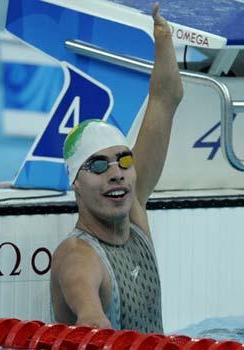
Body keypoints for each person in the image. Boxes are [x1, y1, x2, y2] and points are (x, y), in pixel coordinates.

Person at [50, 3, 183, 333]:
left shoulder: (134, 211)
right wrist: (93, 320)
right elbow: (92, 320)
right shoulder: (77, 256)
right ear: (75, 183)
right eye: (98, 165)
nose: (116, 172)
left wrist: (164, 39)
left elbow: (166, 99)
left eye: (124, 160)